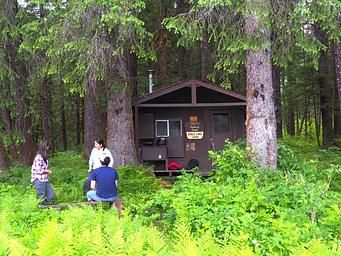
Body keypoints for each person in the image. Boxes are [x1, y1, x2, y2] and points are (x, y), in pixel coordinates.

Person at [31, 140, 55, 206]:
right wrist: (48, 171)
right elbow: (39, 170)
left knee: (51, 195)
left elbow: (43, 168)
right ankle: (41, 210)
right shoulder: (38, 157)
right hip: (39, 180)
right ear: (44, 147)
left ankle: (45, 206)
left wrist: (47, 171)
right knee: (41, 197)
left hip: (45, 179)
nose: (48, 148)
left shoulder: (44, 157)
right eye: (47, 147)